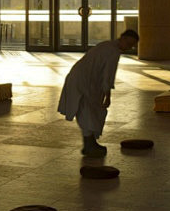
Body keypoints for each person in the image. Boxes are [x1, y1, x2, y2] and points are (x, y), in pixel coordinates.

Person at [57, 29, 139, 157]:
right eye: (128, 44)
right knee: (87, 113)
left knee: (90, 111)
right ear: (122, 38)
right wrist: (108, 96)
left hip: (83, 80)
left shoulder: (107, 45)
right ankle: (89, 145)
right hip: (83, 82)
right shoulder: (113, 51)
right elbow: (108, 76)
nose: (128, 48)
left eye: (131, 46)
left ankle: (90, 143)